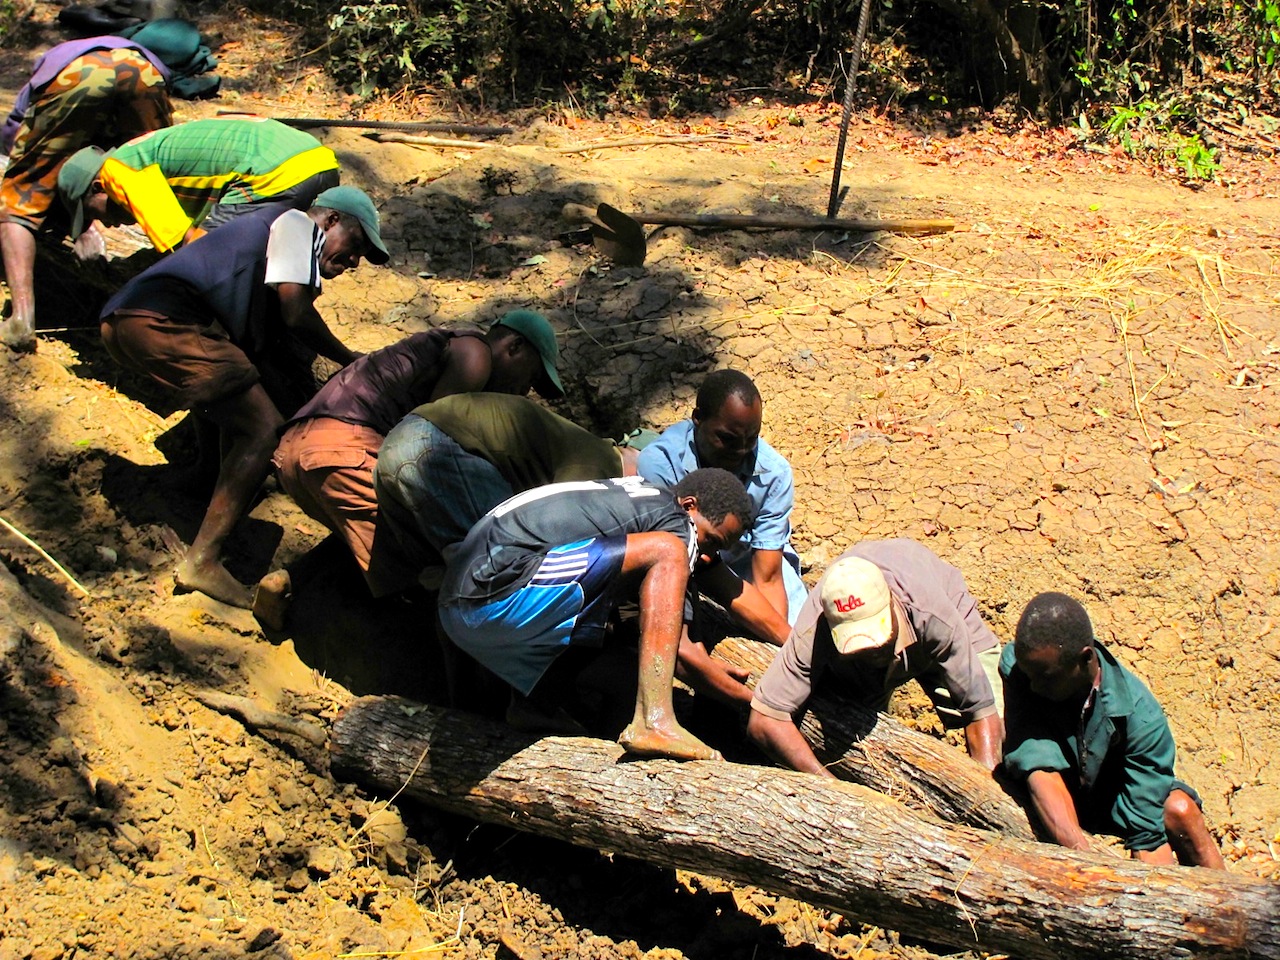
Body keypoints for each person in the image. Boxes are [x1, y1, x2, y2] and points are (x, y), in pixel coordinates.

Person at [97, 184, 389, 608]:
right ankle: (203, 560)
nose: (354, 262)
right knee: (263, 430)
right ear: (330, 220)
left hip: (126, 320)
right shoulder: (294, 224)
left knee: (229, 378)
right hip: (163, 322)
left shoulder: (271, 242)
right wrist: (349, 358)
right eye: (356, 245)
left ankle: (201, 479)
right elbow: (295, 312)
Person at [253, 311, 563, 625]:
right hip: (344, 449)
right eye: (532, 377)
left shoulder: (452, 343)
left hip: (298, 452)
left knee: (383, 527)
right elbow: (429, 450)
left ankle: (286, 583)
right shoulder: (476, 356)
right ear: (515, 347)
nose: (525, 392)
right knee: (434, 553)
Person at [437, 468, 757, 761]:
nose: (706, 556)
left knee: (625, 650)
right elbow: (681, 655)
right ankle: (654, 721)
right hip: (494, 596)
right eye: (711, 542)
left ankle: (536, 705)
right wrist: (757, 704)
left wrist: (715, 671)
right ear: (690, 507)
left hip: (457, 609)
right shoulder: (678, 526)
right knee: (667, 551)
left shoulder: (638, 496)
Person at [1001, 592, 1224, 868]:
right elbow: (1039, 766)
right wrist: (1086, 863)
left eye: (1045, 678)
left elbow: (1146, 837)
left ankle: (1229, 903)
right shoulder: (1022, 669)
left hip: (1111, 802)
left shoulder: (1142, 720)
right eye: (1029, 675)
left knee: (1181, 811)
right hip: (1055, 796)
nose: (1033, 686)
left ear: (1085, 660)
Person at [747, 539, 1005, 775]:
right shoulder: (815, 627)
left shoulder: (936, 617)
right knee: (860, 728)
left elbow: (981, 712)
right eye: (858, 644)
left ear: (891, 605)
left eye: (875, 639)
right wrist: (829, 785)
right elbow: (764, 720)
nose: (873, 652)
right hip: (867, 655)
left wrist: (985, 795)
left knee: (1002, 727)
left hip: (938, 619)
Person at [1, 35, 173, 352]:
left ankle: (21, 318)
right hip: (144, 72)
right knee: (155, 176)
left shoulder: (41, 79)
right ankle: (180, 288)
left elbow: (19, 145)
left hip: (77, 74)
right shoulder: (129, 48)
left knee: (18, 202)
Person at [375, 391, 636, 571]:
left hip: (394, 450)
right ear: (633, 454)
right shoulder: (601, 462)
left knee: (442, 578)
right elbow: (559, 534)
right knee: (501, 574)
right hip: (436, 449)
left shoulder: (572, 446)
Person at [638, 368, 807, 624]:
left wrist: (780, 639)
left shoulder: (774, 473)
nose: (740, 450)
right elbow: (679, 557)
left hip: (746, 557)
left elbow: (768, 576)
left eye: (751, 438)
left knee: (801, 629)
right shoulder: (662, 464)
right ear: (698, 419)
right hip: (682, 560)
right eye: (727, 439)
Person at [57, 116, 341, 256]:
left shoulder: (119, 169)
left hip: (271, 173)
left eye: (94, 213)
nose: (108, 225)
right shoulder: (151, 155)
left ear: (97, 187)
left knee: (208, 258)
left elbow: (189, 247)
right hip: (318, 162)